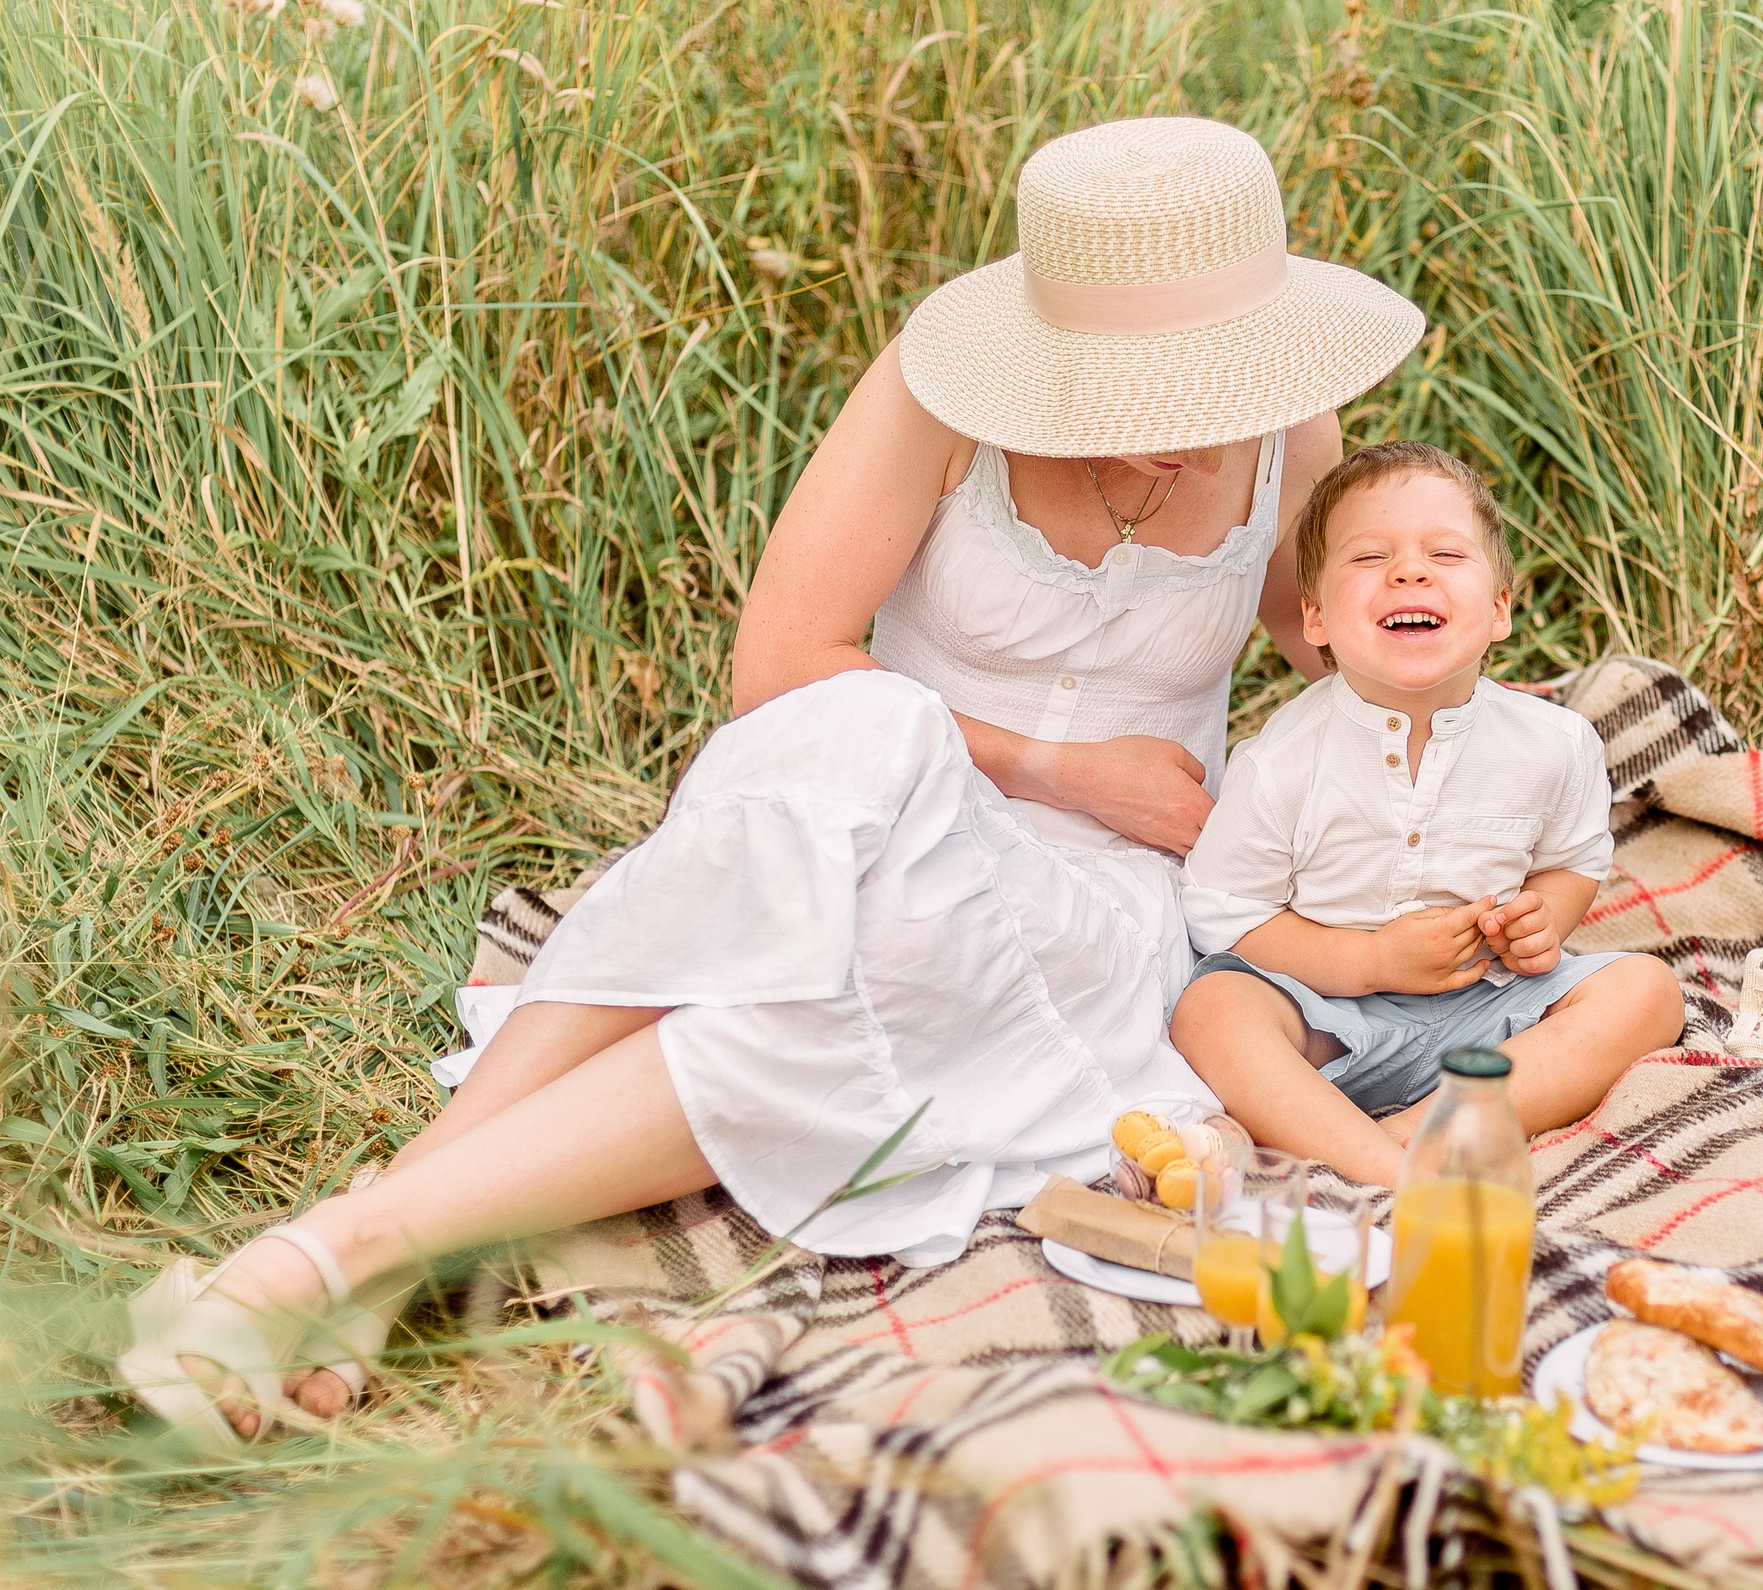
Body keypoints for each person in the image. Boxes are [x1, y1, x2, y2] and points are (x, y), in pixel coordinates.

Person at [118, 117, 1426, 1448]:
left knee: (833, 999)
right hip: (864, 785)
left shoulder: (1288, 422)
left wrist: (1420, 692)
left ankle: (336, 1253)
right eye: (1148, 394)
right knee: (860, 743)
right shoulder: (943, 395)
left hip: (1090, 895)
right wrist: (1058, 765)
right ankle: (363, 1249)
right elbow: (785, 665)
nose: (1189, 439)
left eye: (1214, 388)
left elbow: (1323, 633)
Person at [1171, 443, 1686, 1186]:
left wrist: (1544, 915)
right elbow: (1223, 913)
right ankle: (1380, 1162)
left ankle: (1421, 1130)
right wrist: (1371, 962)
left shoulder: (1554, 743)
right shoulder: (1281, 761)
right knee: (1212, 1009)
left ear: (1501, 607)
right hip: (1327, 1020)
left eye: (1446, 553)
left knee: (1647, 992)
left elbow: (1573, 859)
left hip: (1489, 1007)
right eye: (1370, 556)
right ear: (1314, 616)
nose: (1409, 571)